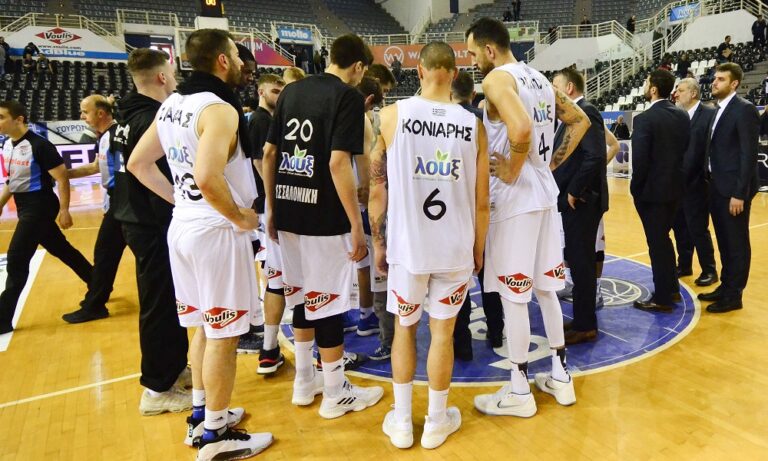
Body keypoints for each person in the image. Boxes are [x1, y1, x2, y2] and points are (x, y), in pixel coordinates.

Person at [128, 29, 273, 460]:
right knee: (225, 334)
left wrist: (182, 201)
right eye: (237, 56)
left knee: (204, 328)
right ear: (223, 60)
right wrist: (240, 217)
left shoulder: (172, 103)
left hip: (184, 228)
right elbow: (208, 178)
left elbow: (138, 164)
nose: (242, 63)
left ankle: (201, 415)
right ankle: (216, 435)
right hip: (215, 234)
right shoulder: (218, 109)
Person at [465, 17, 590, 417]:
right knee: (546, 290)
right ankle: (560, 377)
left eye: (473, 53)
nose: (472, 62)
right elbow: (580, 121)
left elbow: (519, 128)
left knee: (513, 296)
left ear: (489, 49)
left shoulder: (497, 79)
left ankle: (519, 389)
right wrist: (545, 166)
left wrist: (514, 169)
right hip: (543, 195)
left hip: (514, 201)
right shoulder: (539, 79)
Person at [371, 41, 489, 450]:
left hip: (409, 248)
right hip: (455, 247)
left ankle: (403, 422)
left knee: (404, 329)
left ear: (418, 71)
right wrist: (479, 249)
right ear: (454, 74)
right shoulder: (473, 125)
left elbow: (377, 189)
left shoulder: (390, 116)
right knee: (443, 333)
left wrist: (379, 243)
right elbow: (482, 200)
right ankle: (437, 422)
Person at [262, 34, 384, 419]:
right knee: (327, 303)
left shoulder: (291, 92)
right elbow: (336, 162)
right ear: (358, 67)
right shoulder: (347, 97)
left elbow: (269, 153)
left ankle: (304, 381)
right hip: (324, 217)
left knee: (301, 297)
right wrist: (356, 224)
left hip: (287, 209)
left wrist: (271, 208)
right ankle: (335, 392)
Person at [110, 48, 191, 415]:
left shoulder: (126, 115)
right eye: (171, 73)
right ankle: (157, 389)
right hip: (150, 221)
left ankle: (172, 368)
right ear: (162, 76)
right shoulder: (152, 118)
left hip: (135, 217)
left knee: (168, 298)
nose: (174, 79)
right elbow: (140, 167)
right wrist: (179, 199)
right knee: (159, 303)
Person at [0, 100, 93, 335]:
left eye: (1, 117)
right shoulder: (8, 145)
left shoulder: (40, 145)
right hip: (24, 205)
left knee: (17, 258)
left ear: (19, 119)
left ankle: (2, 319)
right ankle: (97, 282)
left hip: (40, 205)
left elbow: (62, 178)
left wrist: (64, 209)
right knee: (61, 249)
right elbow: (12, 181)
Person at [450, 70, 505, 357]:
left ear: (450, 93)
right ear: (473, 94)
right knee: (489, 276)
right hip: (486, 205)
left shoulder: (446, 120)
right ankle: (496, 331)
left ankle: (462, 343)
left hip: (456, 210)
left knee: (457, 280)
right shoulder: (483, 120)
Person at [551, 67, 608, 345]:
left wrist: (574, 191)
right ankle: (582, 319)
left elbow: (595, 155)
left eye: (555, 86)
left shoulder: (587, 111)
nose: (552, 91)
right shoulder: (569, 117)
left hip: (582, 202)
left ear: (569, 88)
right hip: (573, 202)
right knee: (577, 261)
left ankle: (586, 325)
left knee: (582, 263)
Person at [698, 63, 760, 314]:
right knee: (724, 241)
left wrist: (739, 193)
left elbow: (748, 154)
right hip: (716, 186)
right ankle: (726, 286)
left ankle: (734, 295)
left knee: (736, 243)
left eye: (721, 79)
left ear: (734, 84)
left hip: (733, 191)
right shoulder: (716, 109)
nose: (714, 82)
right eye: (715, 78)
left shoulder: (744, 109)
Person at [630, 70, 690, 313]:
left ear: (653, 89)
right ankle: (671, 288)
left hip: (652, 193)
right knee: (664, 240)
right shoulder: (682, 115)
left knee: (657, 243)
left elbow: (640, 161)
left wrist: (636, 189)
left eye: (647, 83)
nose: (645, 86)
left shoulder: (645, 119)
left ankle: (663, 298)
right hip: (675, 189)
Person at [62, 95, 125, 324]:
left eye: (85, 112)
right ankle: (95, 301)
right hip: (118, 202)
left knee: (106, 253)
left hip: (123, 202)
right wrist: (63, 174)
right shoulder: (105, 137)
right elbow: (95, 167)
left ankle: (95, 304)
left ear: (100, 113)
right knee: (106, 254)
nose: (82, 116)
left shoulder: (116, 135)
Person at [245, 73, 288, 373]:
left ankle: (270, 348)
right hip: (268, 208)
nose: (279, 95)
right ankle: (270, 348)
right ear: (261, 91)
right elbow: (261, 161)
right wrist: (274, 200)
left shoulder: (268, 119)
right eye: (275, 90)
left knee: (276, 278)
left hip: (267, 208)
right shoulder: (261, 120)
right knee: (279, 278)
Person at [672, 78, 718, 287]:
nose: (676, 94)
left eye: (680, 90)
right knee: (680, 227)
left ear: (693, 93)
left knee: (698, 228)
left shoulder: (709, 114)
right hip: (678, 183)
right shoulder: (678, 115)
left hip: (698, 183)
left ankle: (709, 270)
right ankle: (684, 265)